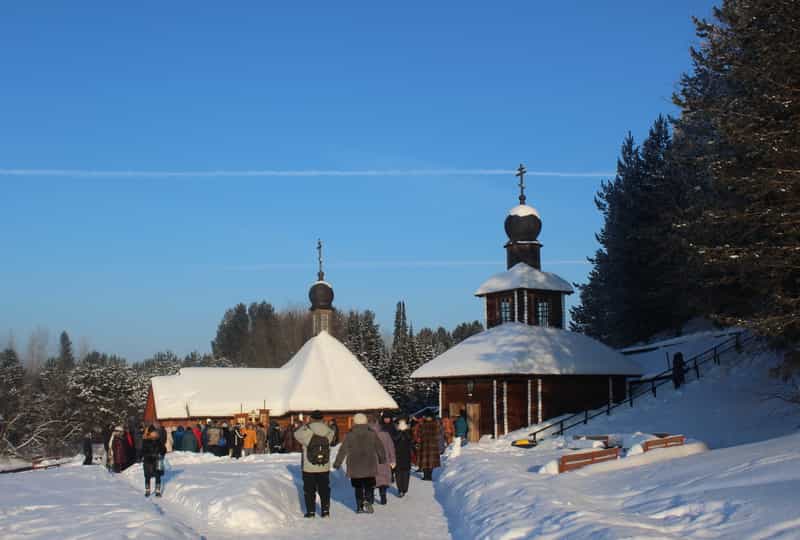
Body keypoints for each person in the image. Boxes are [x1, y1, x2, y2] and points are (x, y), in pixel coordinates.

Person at [333, 413, 386, 514]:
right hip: (369, 463)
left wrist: (337, 463)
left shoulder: (350, 434)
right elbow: (379, 447)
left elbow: (343, 450)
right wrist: (382, 459)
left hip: (355, 464)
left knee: (358, 487)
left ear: (355, 422)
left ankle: (359, 507)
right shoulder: (372, 433)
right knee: (369, 485)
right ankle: (368, 500)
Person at [294, 411, 335, 518]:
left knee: (309, 490)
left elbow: (296, 434)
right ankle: (325, 511)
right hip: (323, 466)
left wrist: (305, 425)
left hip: (309, 467)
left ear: (311, 418)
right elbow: (332, 438)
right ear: (322, 418)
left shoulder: (306, 430)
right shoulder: (328, 431)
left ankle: (311, 512)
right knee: (324, 489)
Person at [371, 419, 396, 505]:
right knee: (383, 480)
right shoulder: (385, 434)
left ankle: (370, 498)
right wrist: (393, 459)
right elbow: (391, 447)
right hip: (383, 461)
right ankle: (383, 496)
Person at [141, 425, 167, 497]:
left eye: (155, 432)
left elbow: (164, 449)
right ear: (150, 433)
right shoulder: (145, 441)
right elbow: (143, 451)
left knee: (158, 476)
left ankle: (157, 491)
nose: (155, 433)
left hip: (157, 461)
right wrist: (150, 455)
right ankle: (147, 490)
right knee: (147, 476)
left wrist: (161, 453)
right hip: (148, 461)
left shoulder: (159, 440)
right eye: (153, 432)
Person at [392, 419, 413, 497]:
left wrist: (405, 432)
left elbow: (410, 441)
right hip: (398, 456)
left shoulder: (408, 433)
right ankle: (401, 489)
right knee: (399, 474)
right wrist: (400, 433)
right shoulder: (396, 433)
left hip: (405, 456)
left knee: (404, 474)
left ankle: (403, 489)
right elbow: (394, 440)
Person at [417, 414, 441, 481]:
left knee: (429, 462)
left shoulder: (434, 424)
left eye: (429, 417)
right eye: (427, 417)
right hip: (426, 445)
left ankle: (428, 476)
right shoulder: (425, 424)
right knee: (426, 462)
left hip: (430, 446)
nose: (428, 418)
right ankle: (426, 476)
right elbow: (419, 434)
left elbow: (439, 434)